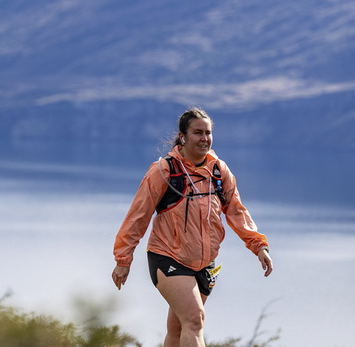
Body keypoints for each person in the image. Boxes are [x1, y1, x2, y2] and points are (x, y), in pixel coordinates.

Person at [111, 107, 273, 347]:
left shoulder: (219, 171)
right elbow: (138, 216)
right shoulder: (164, 171)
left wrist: (259, 246)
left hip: (205, 263)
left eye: (208, 132)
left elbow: (237, 211)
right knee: (195, 320)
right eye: (198, 132)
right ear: (183, 136)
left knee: (177, 329)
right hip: (168, 257)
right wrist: (123, 260)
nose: (204, 138)